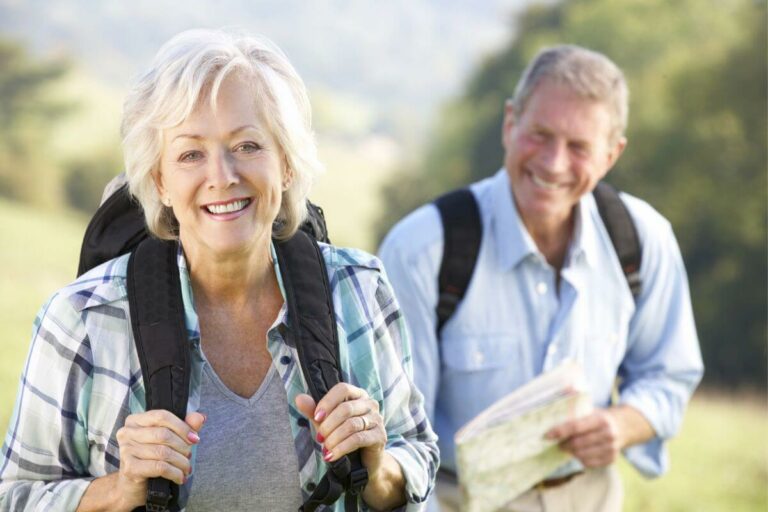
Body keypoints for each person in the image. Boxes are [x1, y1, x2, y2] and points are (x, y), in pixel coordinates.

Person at [0, 29, 438, 511]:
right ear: (160, 180)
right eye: (190, 154)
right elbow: (15, 496)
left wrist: (378, 469)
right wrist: (118, 491)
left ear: (287, 164)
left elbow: (416, 452)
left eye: (248, 145)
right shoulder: (80, 318)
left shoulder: (359, 290)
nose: (223, 175)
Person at [379, 45, 703, 511]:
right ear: (510, 125)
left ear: (611, 155)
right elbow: (400, 435)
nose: (553, 163)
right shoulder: (422, 248)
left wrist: (622, 425)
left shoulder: (643, 240)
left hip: (590, 498)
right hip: (454, 499)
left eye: (578, 147)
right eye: (540, 134)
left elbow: (668, 376)